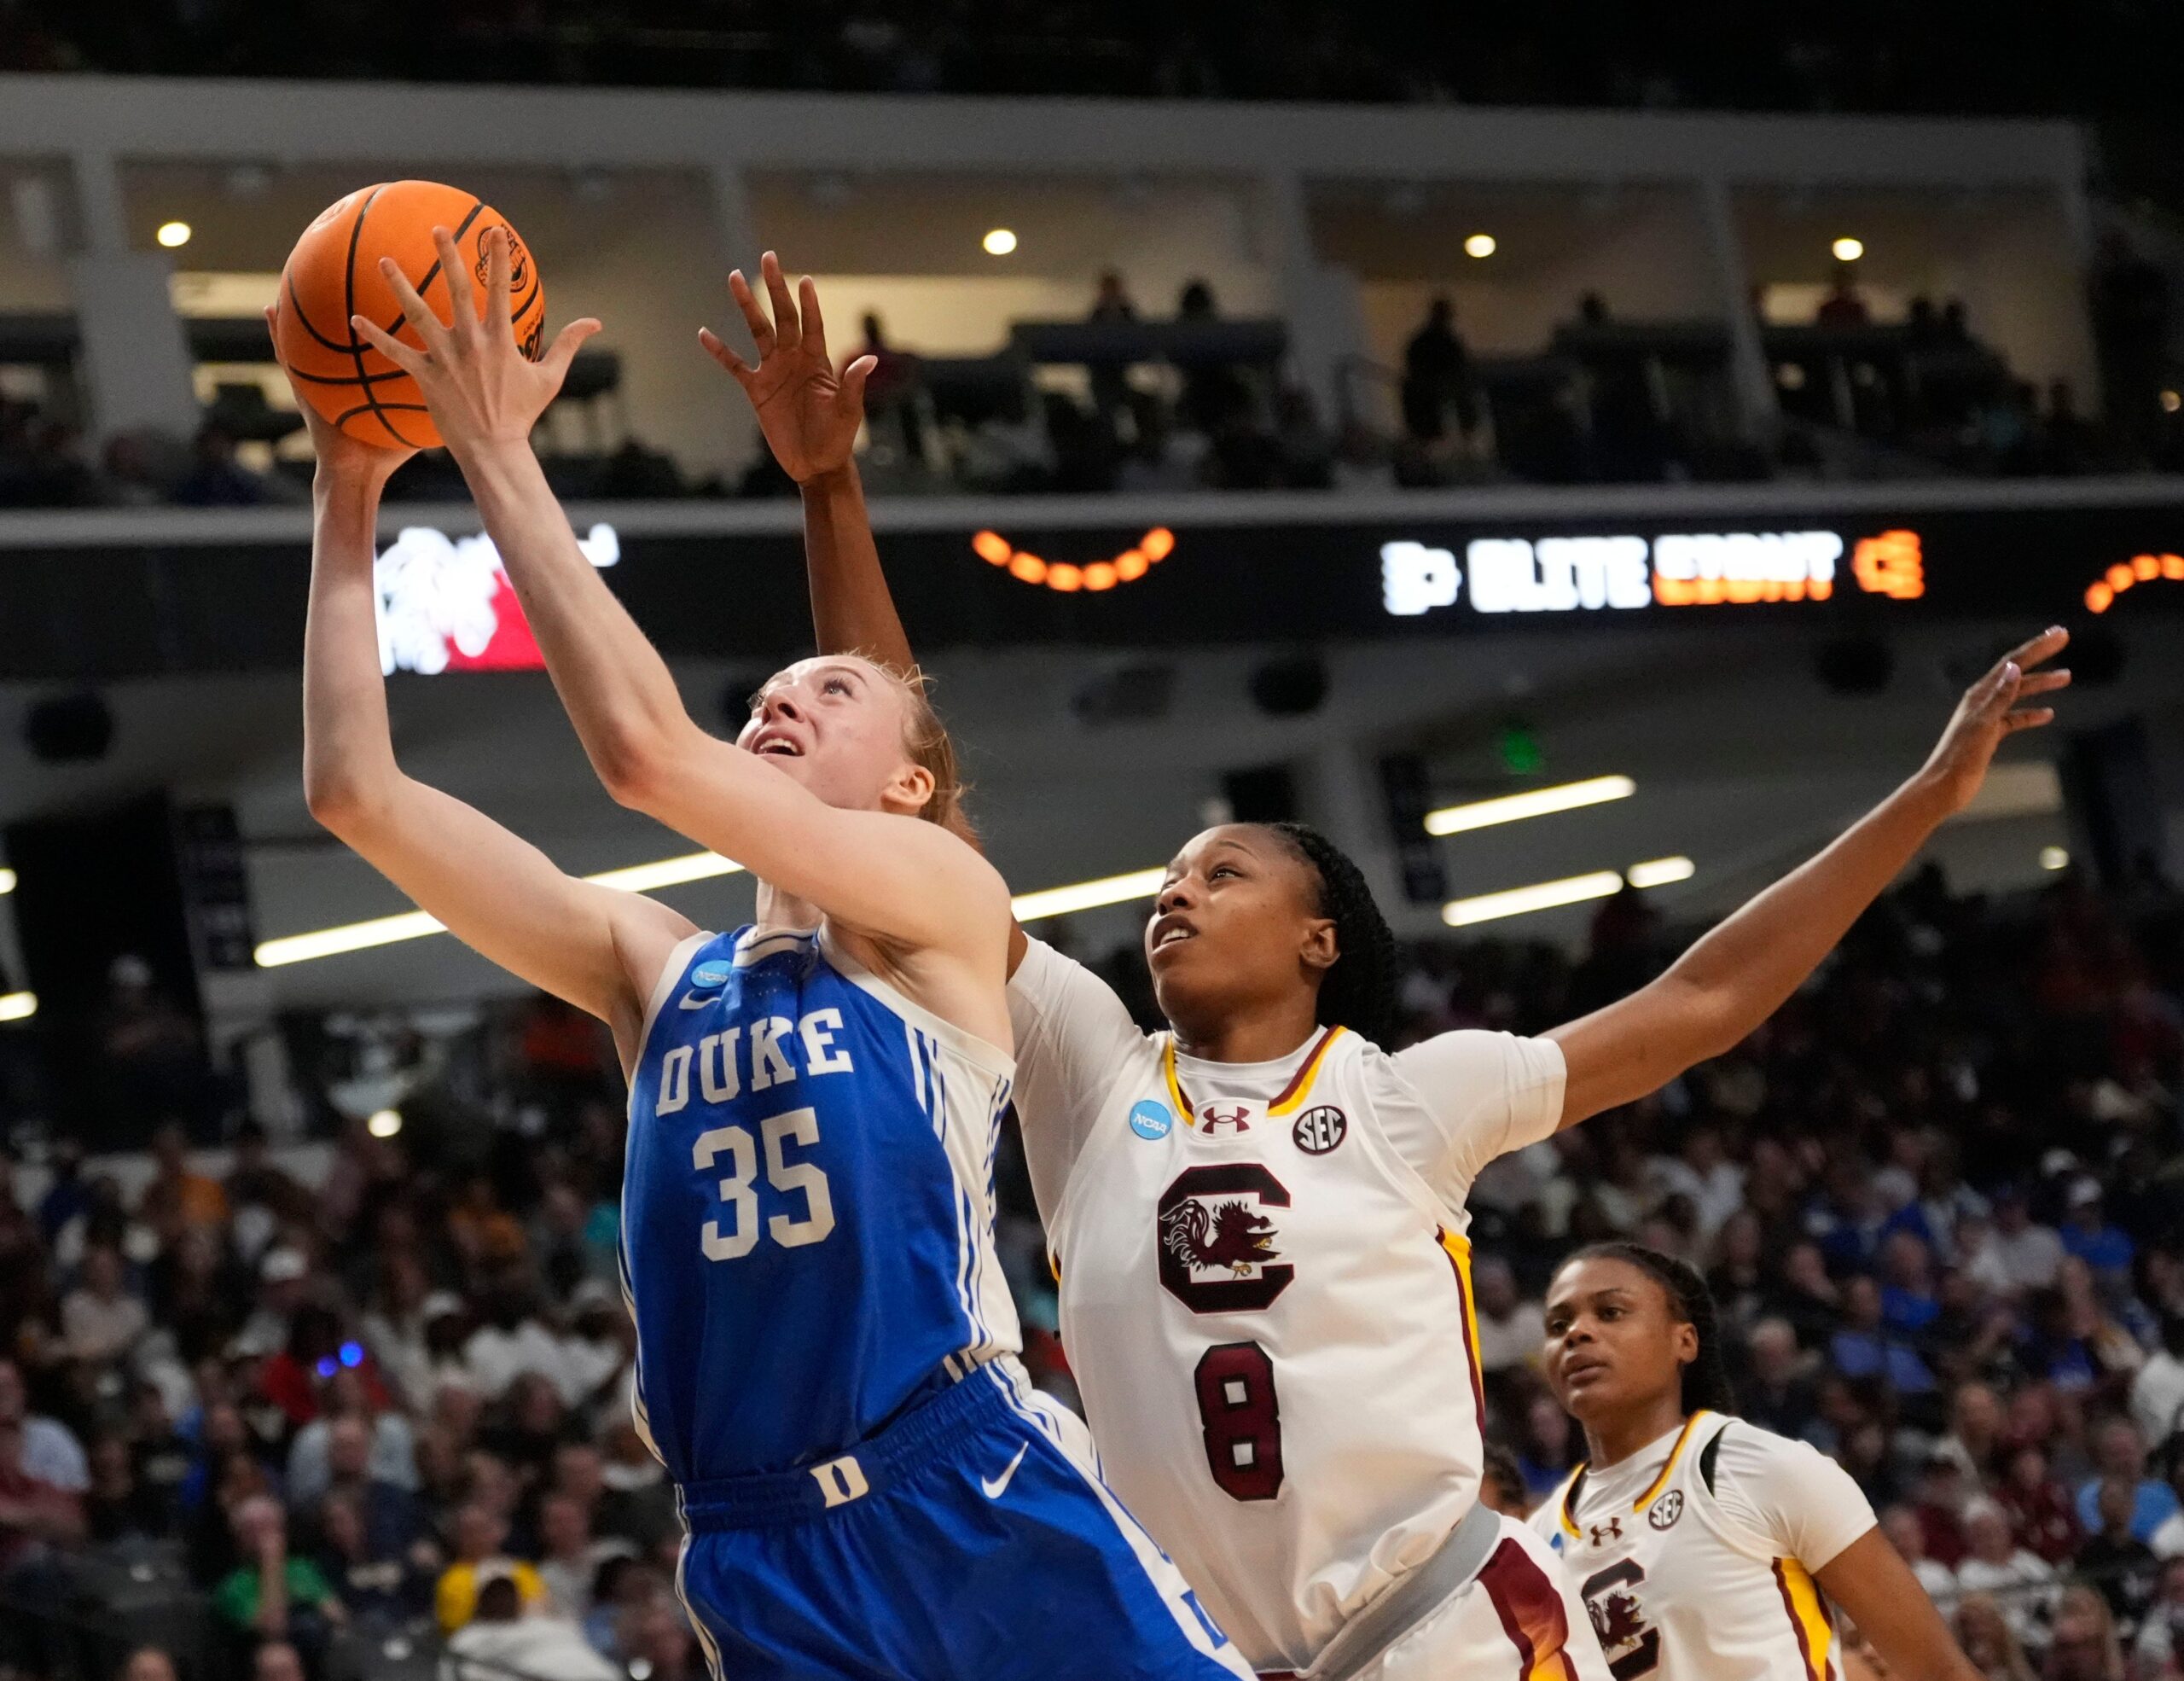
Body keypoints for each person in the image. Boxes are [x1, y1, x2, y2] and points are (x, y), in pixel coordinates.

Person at [613, 256, 2073, 1679]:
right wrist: (829, 484)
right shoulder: (1081, 1065)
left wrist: (1929, 801)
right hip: (1192, 1648)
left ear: (1323, 936)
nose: (1178, 896)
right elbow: (901, 797)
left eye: (1223, 874)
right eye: (1172, 879)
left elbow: (1702, 1003)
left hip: (1436, 1633)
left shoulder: (1409, 1099)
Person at [318, 229, 1249, 1681]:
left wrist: (499, 452)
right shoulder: (653, 966)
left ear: (910, 789)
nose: (779, 702)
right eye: (765, 694)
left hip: (971, 1489)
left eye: (826, 690)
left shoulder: (938, 911)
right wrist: (350, 485)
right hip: (754, 1547)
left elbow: (641, 752)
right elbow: (353, 794)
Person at [1532, 1244, 1988, 1681]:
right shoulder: (1536, 1541)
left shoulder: (1763, 1470)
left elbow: (1941, 1670)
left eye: (1611, 1312)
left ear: (1684, 1341)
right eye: (1558, 1325)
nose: (1577, 1333)